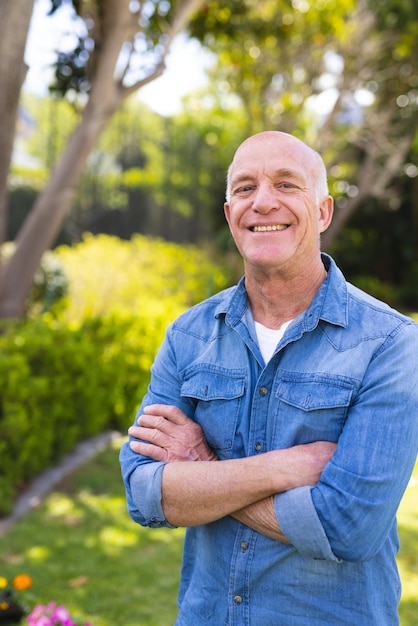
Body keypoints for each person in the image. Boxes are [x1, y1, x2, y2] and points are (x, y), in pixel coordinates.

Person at [120, 130, 418, 625]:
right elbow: (144, 491)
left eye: (286, 184)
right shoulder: (189, 335)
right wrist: (283, 469)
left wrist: (202, 468)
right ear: (228, 213)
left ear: (323, 212)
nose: (262, 202)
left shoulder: (390, 344)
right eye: (244, 188)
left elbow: (348, 526)